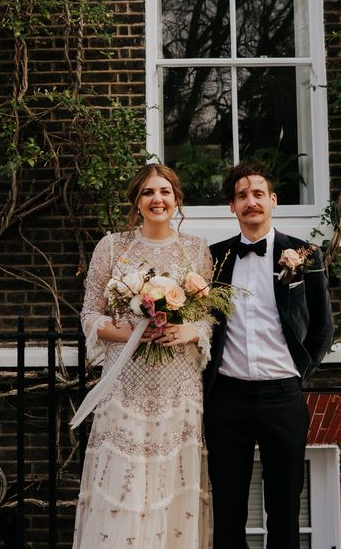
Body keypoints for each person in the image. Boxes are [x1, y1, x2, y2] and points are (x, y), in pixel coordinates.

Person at [73, 163, 213, 548]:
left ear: (177, 199)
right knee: (125, 491)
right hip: (126, 389)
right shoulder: (113, 246)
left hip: (178, 391)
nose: (158, 199)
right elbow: (90, 314)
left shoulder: (196, 251)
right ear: (137, 200)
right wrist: (136, 332)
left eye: (165, 192)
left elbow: (208, 319)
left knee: (172, 494)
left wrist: (191, 330)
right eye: (149, 192)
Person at [203, 160, 334, 549]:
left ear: (273, 200)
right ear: (232, 207)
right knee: (227, 509)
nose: (251, 201)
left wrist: (298, 373)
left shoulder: (304, 254)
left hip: (283, 396)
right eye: (242, 195)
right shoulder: (215, 259)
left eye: (258, 193)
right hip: (227, 397)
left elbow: (323, 329)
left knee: (284, 507)